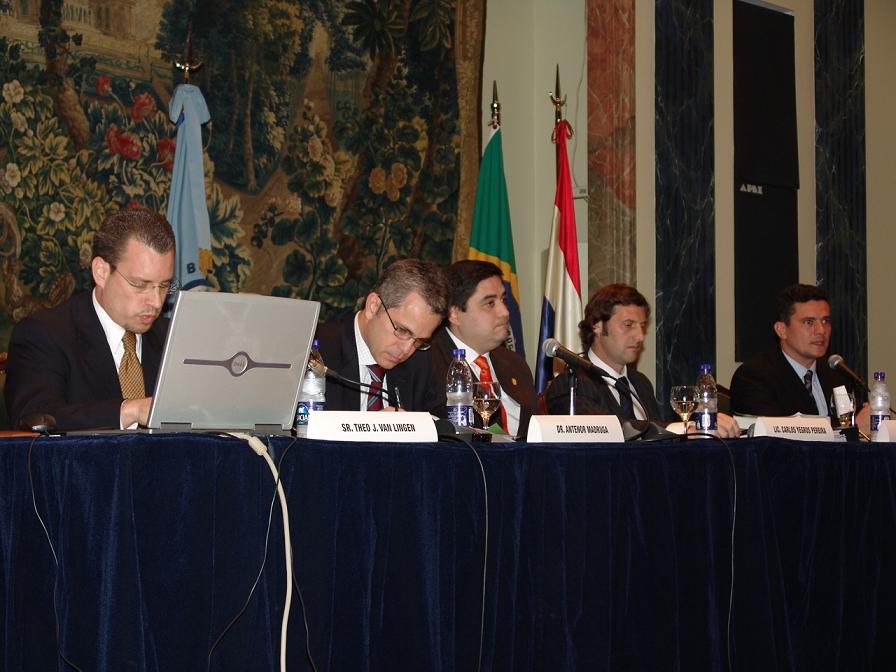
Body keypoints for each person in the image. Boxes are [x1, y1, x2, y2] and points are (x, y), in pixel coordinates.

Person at [5, 207, 177, 431]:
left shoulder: (173, 337)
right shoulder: (44, 334)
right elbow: (34, 417)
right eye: (140, 285)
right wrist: (129, 411)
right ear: (101, 272)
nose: (156, 301)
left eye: (164, 285)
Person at [544, 283, 741, 438]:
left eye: (642, 326)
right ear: (597, 326)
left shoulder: (640, 383)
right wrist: (687, 427)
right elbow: (611, 429)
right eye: (628, 325)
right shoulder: (570, 383)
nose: (639, 336)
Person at [314, 258, 449, 414]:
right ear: (374, 306)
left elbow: (448, 420)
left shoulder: (421, 360)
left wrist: (417, 425)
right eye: (402, 330)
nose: (407, 350)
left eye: (419, 340)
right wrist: (371, 426)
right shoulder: (315, 351)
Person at [429, 260, 536, 437]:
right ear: (454, 313)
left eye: (503, 300)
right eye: (490, 303)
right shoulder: (427, 362)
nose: (505, 312)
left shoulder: (516, 365)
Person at [730, 283, 864, 420]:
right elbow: (773, 431)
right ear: (782, 330)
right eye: (809, 322)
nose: (821, 331)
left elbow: (849, 421)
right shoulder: (754, 377)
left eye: (825, 321)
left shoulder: (837, 374)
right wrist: (855, 425)